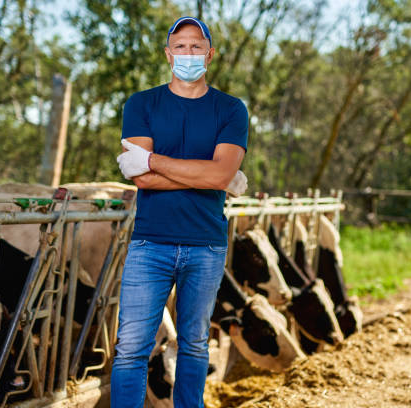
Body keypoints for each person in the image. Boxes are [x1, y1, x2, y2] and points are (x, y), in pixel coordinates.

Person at [111, 16, 248, 408]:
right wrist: (210, 176)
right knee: (132, 347)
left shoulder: (231, 109)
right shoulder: (141, 104)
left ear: (210, 53)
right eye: (181, 46)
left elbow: (219, 172)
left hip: (205, 244)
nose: (189, 53)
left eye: (197, 46)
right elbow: (142, 180)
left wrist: (152, 159)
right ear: (169, 54)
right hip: (149, 243)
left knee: (194, 343)